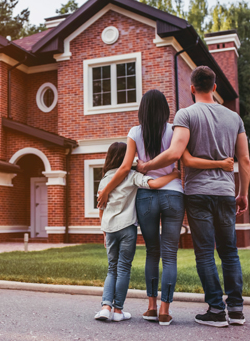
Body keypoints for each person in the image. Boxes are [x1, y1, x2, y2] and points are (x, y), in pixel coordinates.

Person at [97, 89, 234, 326]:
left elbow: (124, 168)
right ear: (165, 110)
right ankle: (164, 310)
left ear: (142, 110)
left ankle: (150, 307)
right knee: (170, 255)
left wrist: (107, 189)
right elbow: (184, 158)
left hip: (146, 197)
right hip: (173, 194)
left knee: (152, 251)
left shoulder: (134, 132)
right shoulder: (175, 130)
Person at [136, 66, 250, 327]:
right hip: (224, 193)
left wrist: (146, 166)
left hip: (198, 193)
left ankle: (215, 310)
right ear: (215, 87)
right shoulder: (234, 118)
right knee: (229, 252)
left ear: (191, 88)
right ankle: (236, 309)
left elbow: (176, 153)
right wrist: (242, 192)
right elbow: (244, 159)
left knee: (205, 253)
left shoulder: (186, 114)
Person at [94, 142, 181, 322]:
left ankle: (105, 307)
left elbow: (101, 208)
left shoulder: (104, 180)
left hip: (109, 230)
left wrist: (103, 233)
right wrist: (173, 174)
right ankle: (118, 310)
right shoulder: (132, 176)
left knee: (112, 269)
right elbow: (155, 184)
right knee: (124, 268)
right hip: (127, 229)